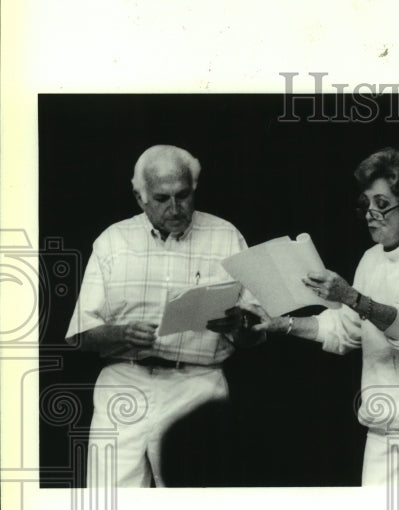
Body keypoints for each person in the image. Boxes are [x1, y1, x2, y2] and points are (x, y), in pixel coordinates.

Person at [254, 147, 399, 486]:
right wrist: (281, 324)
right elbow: (345, 330)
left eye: (382, 204)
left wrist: (349, 295)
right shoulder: (371, 259)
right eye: (367, 204)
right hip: (383, 426)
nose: (370, 214)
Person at [65, 144, 262, 488]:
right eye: (161, 198)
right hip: (123, 384)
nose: (175, 208)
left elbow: (257, 331)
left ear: (194, 189)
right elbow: (80, 335)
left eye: (183, 195)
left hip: (198, 385)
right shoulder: (112, 242)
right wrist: (120, 334)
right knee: (110, 506)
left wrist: (240, 324)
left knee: (197, 506)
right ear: (140, 198)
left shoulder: (226, 236)